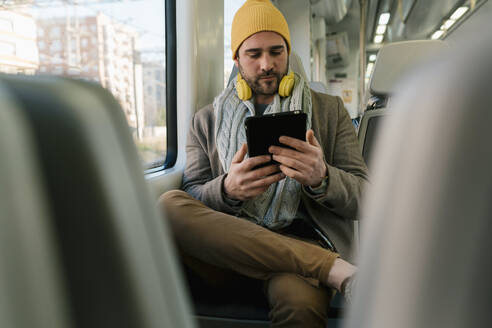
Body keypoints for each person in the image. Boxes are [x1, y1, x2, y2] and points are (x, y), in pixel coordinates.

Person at [159, 0, 368, 326]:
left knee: (298, 305)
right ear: (237, 59)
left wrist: (322, 177)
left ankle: (316, 263)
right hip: (229, 247)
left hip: (302, 244)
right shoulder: (206, 120)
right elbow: (193, 195)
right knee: (169, 203)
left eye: (276, 51)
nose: (267, 64)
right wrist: (227, 190)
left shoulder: (328, 110)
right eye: (253, 54)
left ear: (288, 52)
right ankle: (330, 268)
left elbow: (364, 199)